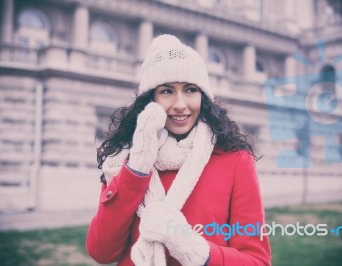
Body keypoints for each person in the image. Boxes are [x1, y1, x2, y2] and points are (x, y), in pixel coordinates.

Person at [86, 34, 271, 266]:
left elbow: (257, 261)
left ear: (203, 97)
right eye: (167, 91)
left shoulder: (235, 161)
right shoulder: (124, 159)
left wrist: (192, 248)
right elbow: (102, 251)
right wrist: (138, 167)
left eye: (190, 90)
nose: (180, 104)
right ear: (150, 99)